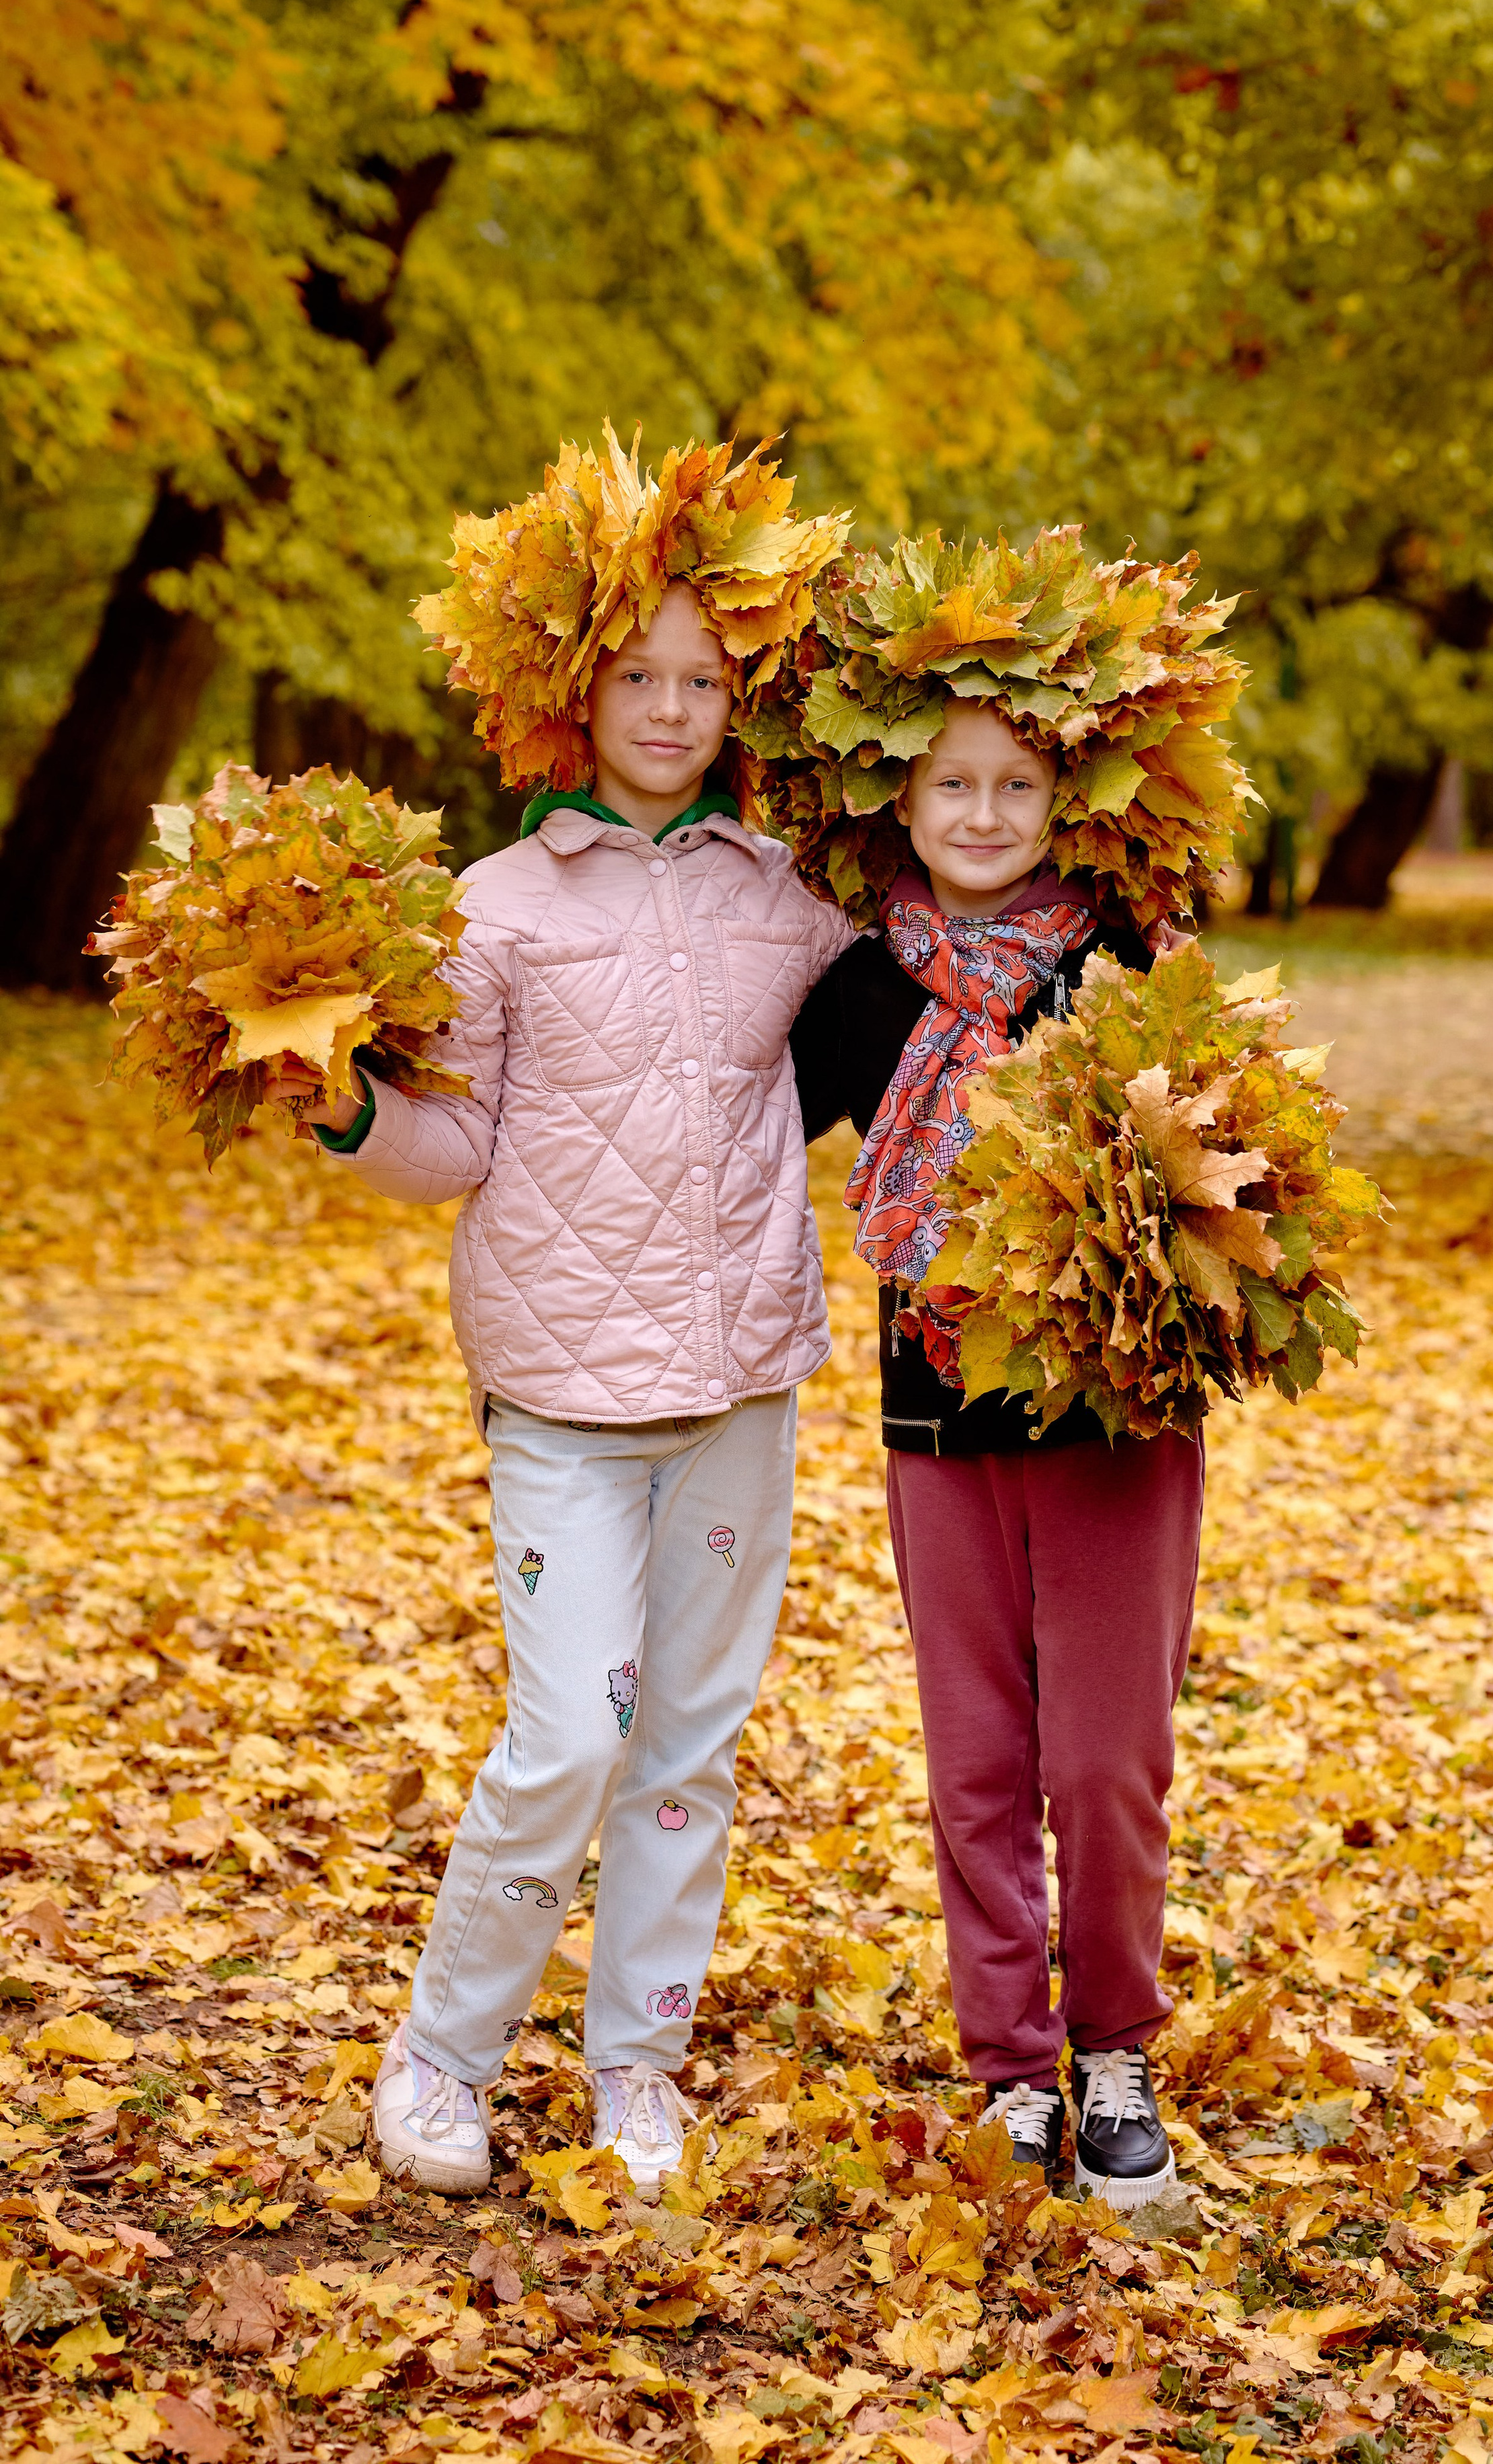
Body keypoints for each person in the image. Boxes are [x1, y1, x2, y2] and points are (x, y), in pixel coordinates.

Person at [272, 433, 851, 2198]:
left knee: (687, 1750)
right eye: (638, 677)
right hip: (561, 1403)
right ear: (573, 690)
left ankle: (636, 2070)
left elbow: (893, 1032)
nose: (670, 710)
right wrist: (349, 1111)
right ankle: (444, 2056)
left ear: (739, 700)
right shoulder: (497, 907)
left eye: (703, 681)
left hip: (739, 1389)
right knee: (570, 1740)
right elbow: (454, 1142)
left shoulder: (790, 895)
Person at [788, 697, 1207, 2207]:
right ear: (898, 805)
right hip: (937, 1413)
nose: (980, 814)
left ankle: (1115, 2051)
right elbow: (714, 1132)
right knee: (976, 1760)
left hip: (1115, 1421)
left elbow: (1229, 1163)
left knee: (1104, 1763)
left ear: (1061, 798)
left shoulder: (1128, 967)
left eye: (1013, 784)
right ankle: (1013, 2071)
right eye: (949, 785)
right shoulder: (858, 989)